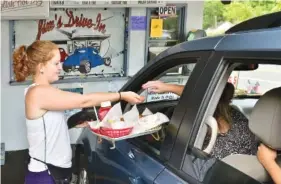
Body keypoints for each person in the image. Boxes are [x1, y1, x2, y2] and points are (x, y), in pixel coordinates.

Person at [13, 40, 144, 184]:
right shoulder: (37, 92)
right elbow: (84, 101)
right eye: (56, 63)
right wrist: (121, 95)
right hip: (45, 175)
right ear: (41, 67)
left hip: (56, 173)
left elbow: (47, 125)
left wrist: (75, 123)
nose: (60, 67)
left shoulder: (46, 91)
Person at [142, 81, 257, 159]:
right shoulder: (239, 118)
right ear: (229, 98)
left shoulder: (198, 121)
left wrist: (169, 87)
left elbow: (201, 94)